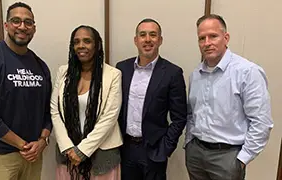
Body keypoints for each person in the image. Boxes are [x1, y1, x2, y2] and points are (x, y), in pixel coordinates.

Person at [0, 2, 52, 180]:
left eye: (28, 22)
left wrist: (42, 141)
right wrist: (23, 145)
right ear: (6, 25)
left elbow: (48, 110)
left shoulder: (40, 65)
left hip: (33, 155)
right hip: (2, 156)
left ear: (34, 29)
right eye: (16, 21)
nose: (22, 26)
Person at [185, 14, 274, 180]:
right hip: (196, 154)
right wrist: (189, 143)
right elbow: (191, 114)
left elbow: (262, 122)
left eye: (213, 36)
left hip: (227, 157)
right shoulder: (196, 74)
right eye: (201, 38)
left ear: (226, 38)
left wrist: (242, 159)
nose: (207, 43)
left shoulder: (247, 72)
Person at [116, 18, 187, 180]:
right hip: (125, 149)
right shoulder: (122, 68)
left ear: (160, 40)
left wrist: (165, 148)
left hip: (154, 151)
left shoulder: (172, 73)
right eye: (143, 35)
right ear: (136, 40)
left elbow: (179, 117)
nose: (147, 39)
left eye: (153, 35)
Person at [51, 25, 122, 180]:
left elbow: (110, 117)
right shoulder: (63, 72)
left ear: (96, 45)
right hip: (68, 155)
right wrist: (68, 146)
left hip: (102, 154)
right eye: (76, 42)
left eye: (87, 41)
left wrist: (83, 150)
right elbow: (54, 110)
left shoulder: (113, 74)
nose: (81, 46)